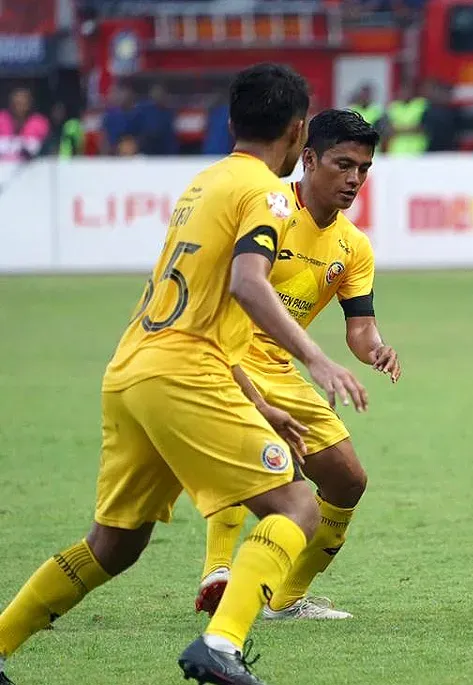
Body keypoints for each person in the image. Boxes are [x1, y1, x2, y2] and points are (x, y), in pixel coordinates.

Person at [0, 63, 367, 685]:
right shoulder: (270, 194)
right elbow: (247, 285)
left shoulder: (205, 183)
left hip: (133, 370)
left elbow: (203, 313)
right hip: (182, 375)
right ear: (300, 131)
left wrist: (259, 400)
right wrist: (314, 355)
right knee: (298, 504)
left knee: (114, 544)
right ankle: (221, 645)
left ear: (230, 123)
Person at [195, 108, 400, 622]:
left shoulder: (353, 246)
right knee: (260, 459)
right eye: (343, 164)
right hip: (223, 358)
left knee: (348, 481)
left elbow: (359, 328)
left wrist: (376, 348)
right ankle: (219, 571)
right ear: (307, 158)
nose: (354, 179)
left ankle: (285, 600)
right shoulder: (266, 209)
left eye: (364, 169)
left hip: (281, 371)